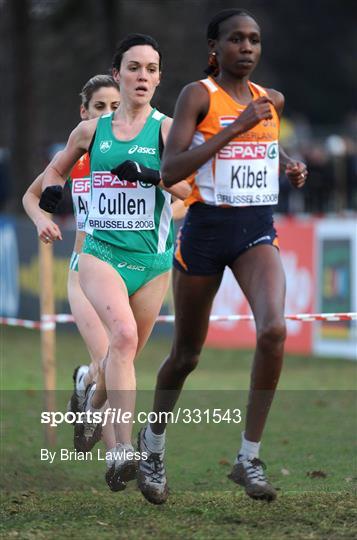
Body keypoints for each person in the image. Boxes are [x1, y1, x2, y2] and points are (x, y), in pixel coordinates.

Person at [124, 9, 307, 504]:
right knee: (186, 356)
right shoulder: (197, 95)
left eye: (254, 40)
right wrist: (233, 127)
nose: (246, 48)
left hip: (255, 232)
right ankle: (154, 444)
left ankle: (248, 457)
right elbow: (170, 169)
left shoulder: (273, 101)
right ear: (215, 47)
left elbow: (265, 147)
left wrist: (291, 165)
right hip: (205, 232)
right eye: (236, 39)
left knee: (274, 329)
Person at [39, 34, 190, 492]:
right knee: (121, 337)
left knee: (121, 356)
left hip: (153, 261)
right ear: (118, 72)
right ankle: (122, 449)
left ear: (159, 78)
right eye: (134, 67)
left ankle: (88, 395)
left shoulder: (168, 131)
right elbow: (54, 171)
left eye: (151, 69)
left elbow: (193, 193)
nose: (142, 76)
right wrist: (50, 191)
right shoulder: (91, 132)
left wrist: (151, 176)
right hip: (100, 253)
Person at [23, 74, 121, 452]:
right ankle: (118, 455)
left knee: (112, 366)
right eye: (99, 107)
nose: (108, 115)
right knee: (108, 362)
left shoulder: (139, 151)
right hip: (85, 271)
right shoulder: (75, 157)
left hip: (128, 273)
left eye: (115, 107)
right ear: (84, 113)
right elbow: (30, 198)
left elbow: (179, 194)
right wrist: (42, 219)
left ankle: (83, 382)